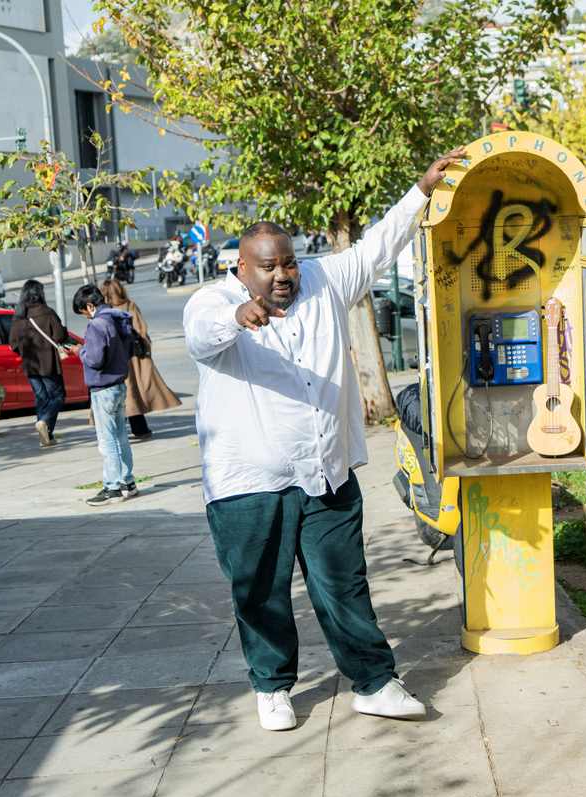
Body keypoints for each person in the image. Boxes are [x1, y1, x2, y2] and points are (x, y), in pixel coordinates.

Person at [183, 146, 466, 732]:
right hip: (249, 483)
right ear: (243, 269)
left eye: (287, 262)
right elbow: (198, 337)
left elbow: (377, 247)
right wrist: (236, 320)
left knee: (344, 583)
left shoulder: (323, 280)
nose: (282, 274)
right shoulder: (215, 300)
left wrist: (421, 189)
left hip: (325, 471)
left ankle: (374, 681)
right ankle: (272, 686)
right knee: (259, 591)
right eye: (268, 266)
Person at [68, 284, 137, 507]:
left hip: (103, 389)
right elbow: (129, 350)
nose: (86, 317)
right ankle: (128, 482)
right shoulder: (119, 317)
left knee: (107, 440)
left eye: (84, 313)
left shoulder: (97, 325)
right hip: (119, 385)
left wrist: (80, 351)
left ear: (90, 306)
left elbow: (95, 360)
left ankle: (112, 487)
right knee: (121, 436)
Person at [100, 278, 181, 439]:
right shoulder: (129, 306)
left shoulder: (103, 311)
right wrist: (146, 347)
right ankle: (139, 430)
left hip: (113, 359)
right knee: (131, 394)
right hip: (132, 358)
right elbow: (141, 329)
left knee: (121, 395)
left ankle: (119, 431)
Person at [8, 280, 69, 447]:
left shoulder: (19, 315)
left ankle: (45, 436)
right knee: (58, 396)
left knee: (41, 397)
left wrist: (25, 353)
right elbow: (60, 336)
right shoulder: (47, 312)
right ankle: (45, 422)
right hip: (49, 363)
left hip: (30, 365)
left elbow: (13, 343)